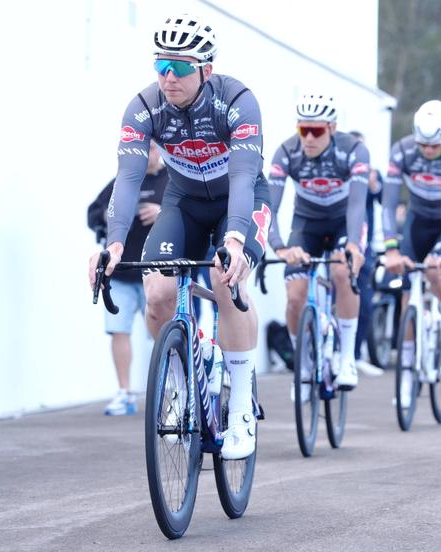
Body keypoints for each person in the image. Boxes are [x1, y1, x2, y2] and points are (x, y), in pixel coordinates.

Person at [88, 14, 271, 460]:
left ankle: (240, 408)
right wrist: (114, 244)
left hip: (239, 200)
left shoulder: (237, 101)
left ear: (206, 69)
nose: (168, 76)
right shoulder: (143, 107)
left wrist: (234, 240)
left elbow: (243, 176)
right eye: (161, 65)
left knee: (227, 283)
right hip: (184, 201)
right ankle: (179, 380)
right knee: (157, 295)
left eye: (181, 67)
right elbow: (127, 179)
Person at [266, 93, 368, 394]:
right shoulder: (286, 152)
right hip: (306, 225)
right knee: (295, 296)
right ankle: (304, 365)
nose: (308, 138)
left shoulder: (353, 150)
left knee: (341, 271)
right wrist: (281, 247)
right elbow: (269, 208)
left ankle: (347, 357)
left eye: (317, 130)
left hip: (343, 222)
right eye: (303, 129)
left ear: (332, 128)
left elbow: (358, 205)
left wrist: (353, 245)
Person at [382, 99, 441, 381]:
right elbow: (388, 203)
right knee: (407, 293)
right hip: (417, 221)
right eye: (423, 145)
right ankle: (407, 367)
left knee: (434, 269)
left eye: (435, 146)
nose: (429, 151)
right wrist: (391, 248)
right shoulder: (402, 151)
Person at [87, 141, 169, 415]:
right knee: (118, 331)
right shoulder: (123, 182)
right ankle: (124, 392)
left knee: (163, 334)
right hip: (122, 273)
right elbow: (93, 213)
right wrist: (115, 216)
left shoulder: (172, 180)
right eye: (143, 149)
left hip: (156, 272)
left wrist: (161, 213)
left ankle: (170, 390)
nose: (148, 154)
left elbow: (189, 213)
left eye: (153, 148)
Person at [348, 130, 384, 375]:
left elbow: (385, 198)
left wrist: (374, 184)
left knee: (364, 301)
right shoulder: (338, 169)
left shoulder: (372, 173)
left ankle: (356, 354)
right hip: (339, 243)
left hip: (364, 248)